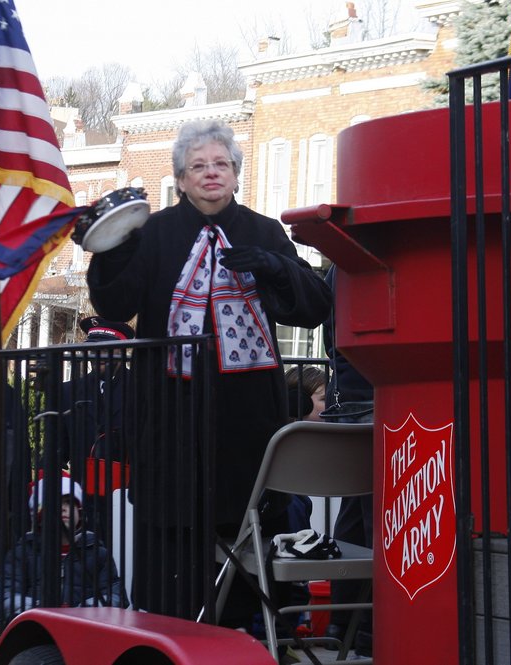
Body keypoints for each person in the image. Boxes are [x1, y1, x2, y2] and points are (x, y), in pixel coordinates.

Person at [85, 119, 332, 627]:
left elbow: (312, 307)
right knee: (171, 563)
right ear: (180, 179)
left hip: (246, 423)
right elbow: (114, 303)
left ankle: (249, 641)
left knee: (245, 553)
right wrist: (109, 251)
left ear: (237, 174)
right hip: (171, 420)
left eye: (221, 164)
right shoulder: (152, 233)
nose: (211, 173)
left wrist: (273, 265)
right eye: (198, 166)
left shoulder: (263, 231)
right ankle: (168, 640)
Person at [320, 264, 374, 657]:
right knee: (378, 517)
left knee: (355, 512)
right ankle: (369, 626)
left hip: (348, 396)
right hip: (375, 393)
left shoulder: (341, 267)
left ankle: (344, 622)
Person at [0, 476, 126, 618]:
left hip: (84, 630)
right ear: (38, 515)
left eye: (70, 503)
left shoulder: (97, 553)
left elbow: (115, 596)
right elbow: (4, 596)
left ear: (80, 513)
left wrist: (81, 613)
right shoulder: (22, 553)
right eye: (55, 504)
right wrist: (42, 611)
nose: (63, 508)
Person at [61, 316, 136, 534]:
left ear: (120, 353)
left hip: (125, 498)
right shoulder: (69, 392)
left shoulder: (141, 389)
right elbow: (57, 450)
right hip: (82, 499)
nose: (97, 357)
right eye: (94, 351)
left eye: (104, 351)